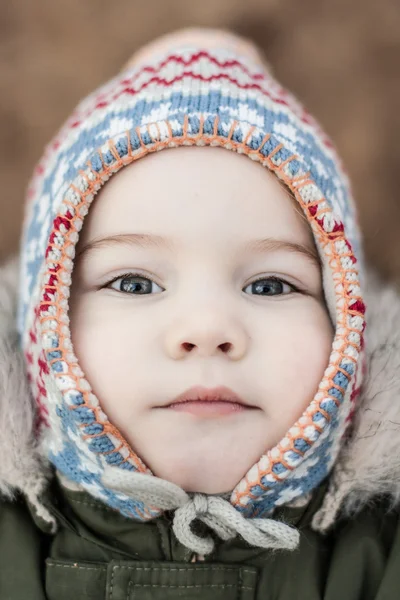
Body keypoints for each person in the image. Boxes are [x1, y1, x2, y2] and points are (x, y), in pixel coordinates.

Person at [1, 26, 400, 599]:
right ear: (44, 325)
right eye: (134, 282)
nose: (208, 330)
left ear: (346, 323)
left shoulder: (378, 555)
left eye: (269, 285)